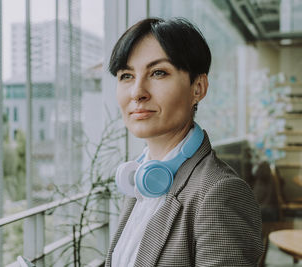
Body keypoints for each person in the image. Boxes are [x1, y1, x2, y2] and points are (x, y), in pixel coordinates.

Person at [104, 17, 263, 267]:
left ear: (198, 88)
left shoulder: (219, 193)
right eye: (126, 75)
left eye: (158, 73)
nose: (137, 92)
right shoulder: (140, 180)